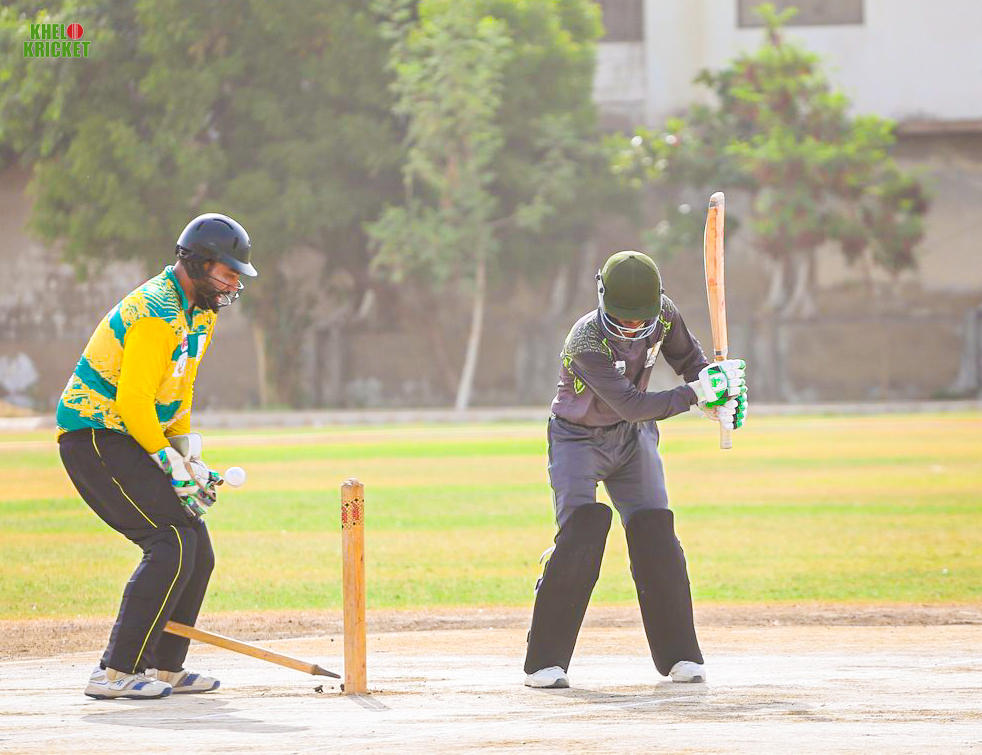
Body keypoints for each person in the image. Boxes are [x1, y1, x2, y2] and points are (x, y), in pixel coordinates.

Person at [56, 213, 258, 699]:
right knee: (170, 539)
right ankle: (113, 673)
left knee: (197, 548)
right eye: (227, 273)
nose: (234, 284)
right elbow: (132, 402)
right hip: (95, 434)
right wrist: (168, 462)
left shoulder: (202, 313)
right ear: (198, 263)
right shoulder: (155, 311)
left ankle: (165, 667)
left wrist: (187, 457)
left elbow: (179, 392)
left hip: (136, 436)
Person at [523, 250, 747, 689]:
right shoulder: (585, 341)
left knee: (655, 531)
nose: (630, 326)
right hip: (576, 439)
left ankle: (680, 655)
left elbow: (689, 361)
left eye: (638, 318)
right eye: (622, 317)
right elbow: (631, 403)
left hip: (633, 439)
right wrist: (695, 395)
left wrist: (718, 391)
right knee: (581, 534)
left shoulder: (663, 314)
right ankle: (544, 662)